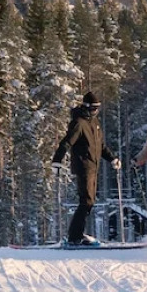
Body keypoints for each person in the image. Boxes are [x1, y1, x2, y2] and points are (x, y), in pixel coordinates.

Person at [52, 92, 120, 245]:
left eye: (98, 108)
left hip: (93, 166)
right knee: (86, 201)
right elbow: (67, 142)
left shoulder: (94, 123)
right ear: (86, 107)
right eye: (93, 108)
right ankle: (74, 237)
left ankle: (77, 234)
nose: (96, 111)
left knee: (89, 202)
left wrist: (112, 159)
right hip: (84, 166)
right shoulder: (79, 123)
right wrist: (57, 161)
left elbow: (101, 146)